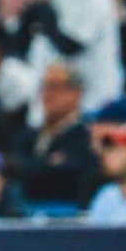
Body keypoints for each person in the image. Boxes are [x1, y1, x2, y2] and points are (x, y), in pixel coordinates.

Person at [21, 0, 123, 125]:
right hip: (48, 112)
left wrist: (42, 3)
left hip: (90, 110)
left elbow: (70, 45)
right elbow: (20, 43)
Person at [12, 64, 100, 204]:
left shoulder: (88, 136)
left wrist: (34, 167)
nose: (47, 94)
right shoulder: (27, 136)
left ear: (77, 93)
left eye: (55, 87)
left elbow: (74, 177)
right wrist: (48, 164)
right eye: (44, 87)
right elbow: (15, 170)